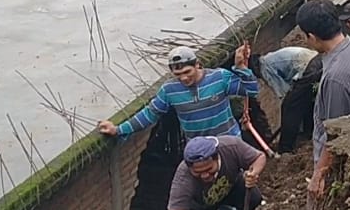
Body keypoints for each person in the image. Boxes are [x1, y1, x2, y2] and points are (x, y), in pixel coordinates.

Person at [297, 0, 350, 199]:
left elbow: (335, 136)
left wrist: (319, 174)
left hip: (341, 164)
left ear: (312, 36)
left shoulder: (336, 77)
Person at [97, 45, 258, 141]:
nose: (184, 78)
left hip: (229, 142)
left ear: (197, 65)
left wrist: (241, 67)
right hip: (200, 151)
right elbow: (149, 115)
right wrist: (118, 130)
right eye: (178, 75)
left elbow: (251, 89)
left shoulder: (219, 78)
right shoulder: (169, 90)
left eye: (188, 72)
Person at [253, 46, 322, 154]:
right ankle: (308, 133)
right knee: (305, 100)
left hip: (307, 67)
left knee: (289, 107)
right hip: (316, 61)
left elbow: (283, 92)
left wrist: (289, 117)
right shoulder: (271, 58)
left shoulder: (264, 67)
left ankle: (285, 149)